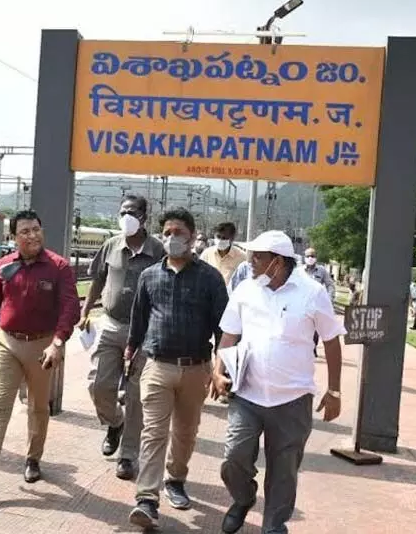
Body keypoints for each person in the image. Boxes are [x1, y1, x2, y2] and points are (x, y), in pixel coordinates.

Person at [213, 230, 344, 534]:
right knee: (234, 458)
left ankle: (274, 526)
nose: (252, 262)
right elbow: (229, 334)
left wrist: (334, 390)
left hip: (293, 400)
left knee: (283, 472)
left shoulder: (312, 292)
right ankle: (243, 498)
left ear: (279, 261)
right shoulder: (246, 290)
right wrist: (218, 370)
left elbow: (332, 340)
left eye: (258, 257)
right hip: (247, 395)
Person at [0, 209, 80, 498]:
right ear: (13, 237)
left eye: (36, 229)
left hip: (43, 347)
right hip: (7, 343)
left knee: (39, 408)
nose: (32, 235)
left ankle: (33, 458)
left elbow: (70, 308)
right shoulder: (4, 266)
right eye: (25, 231)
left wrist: (58, 342)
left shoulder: (58, 267)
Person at [125, 207, 229, 530]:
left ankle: (176, 479)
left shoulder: (210, 278)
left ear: (193, 236)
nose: (172, 239)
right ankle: (147, 499)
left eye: (179, 233)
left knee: (185, 432)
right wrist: (130, 351)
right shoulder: (149, 276)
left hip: (196, 368)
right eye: (167, 233)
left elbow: (223, 329)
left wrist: (218, 369)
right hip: (157, 365)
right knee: (153, 432)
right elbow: (138, 320)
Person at [80, 194, 165, 480]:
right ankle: (114, 422)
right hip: (110, 324)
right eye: (122, 211)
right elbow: (97, 281)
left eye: (132, 211)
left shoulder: (158, 250)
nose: (126, 216)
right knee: (98, 385)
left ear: (144, 216)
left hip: (145, 331)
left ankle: (128, 455)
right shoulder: (110, 246)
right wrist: (84, 312)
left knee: (136, 395)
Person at [303, 247, 335, 358]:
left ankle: (313, 347)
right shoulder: (299, 271)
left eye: (312, 256)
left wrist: (329, 299)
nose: (310, 258)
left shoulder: (321, 271)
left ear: (316, 258)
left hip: (316, 303)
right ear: (304, 257)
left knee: (315, 328)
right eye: (308, 256)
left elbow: (330, 285)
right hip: (302, 303)